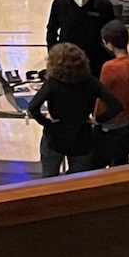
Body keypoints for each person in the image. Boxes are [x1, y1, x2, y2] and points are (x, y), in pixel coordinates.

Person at [27, 42, 120, 176]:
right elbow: (116, 105)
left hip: (55, 135)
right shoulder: (91, 82)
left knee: (48, 178)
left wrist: (46, 122)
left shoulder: (53, 84)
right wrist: (99, 120)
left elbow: (33, 107)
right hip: (82, 136)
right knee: (77, 181)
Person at [46, 0, 118, 73]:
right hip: (67, 57)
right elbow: (51, 30)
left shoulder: (103, 5)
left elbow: (112, 32)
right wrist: (53, 53)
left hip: (94, 58)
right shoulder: (60, 3)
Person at [94, 19, 129, 167]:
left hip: (111, 122)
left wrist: (97, 118)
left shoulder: (109, 67)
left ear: (109, 43)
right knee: (122, 158)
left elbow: (103, 97)